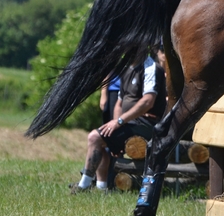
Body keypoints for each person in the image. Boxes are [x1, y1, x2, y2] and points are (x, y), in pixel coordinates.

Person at [70, 44, 167, 193]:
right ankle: (102, 189)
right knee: (102, 140)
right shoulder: (126, 69)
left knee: (94, 137)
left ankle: (83, 186)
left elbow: (148, 101)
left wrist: (120, 121)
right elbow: (119, 103)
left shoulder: (150, 68)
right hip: (130, 123)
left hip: (147, 124)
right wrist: (116, 126)